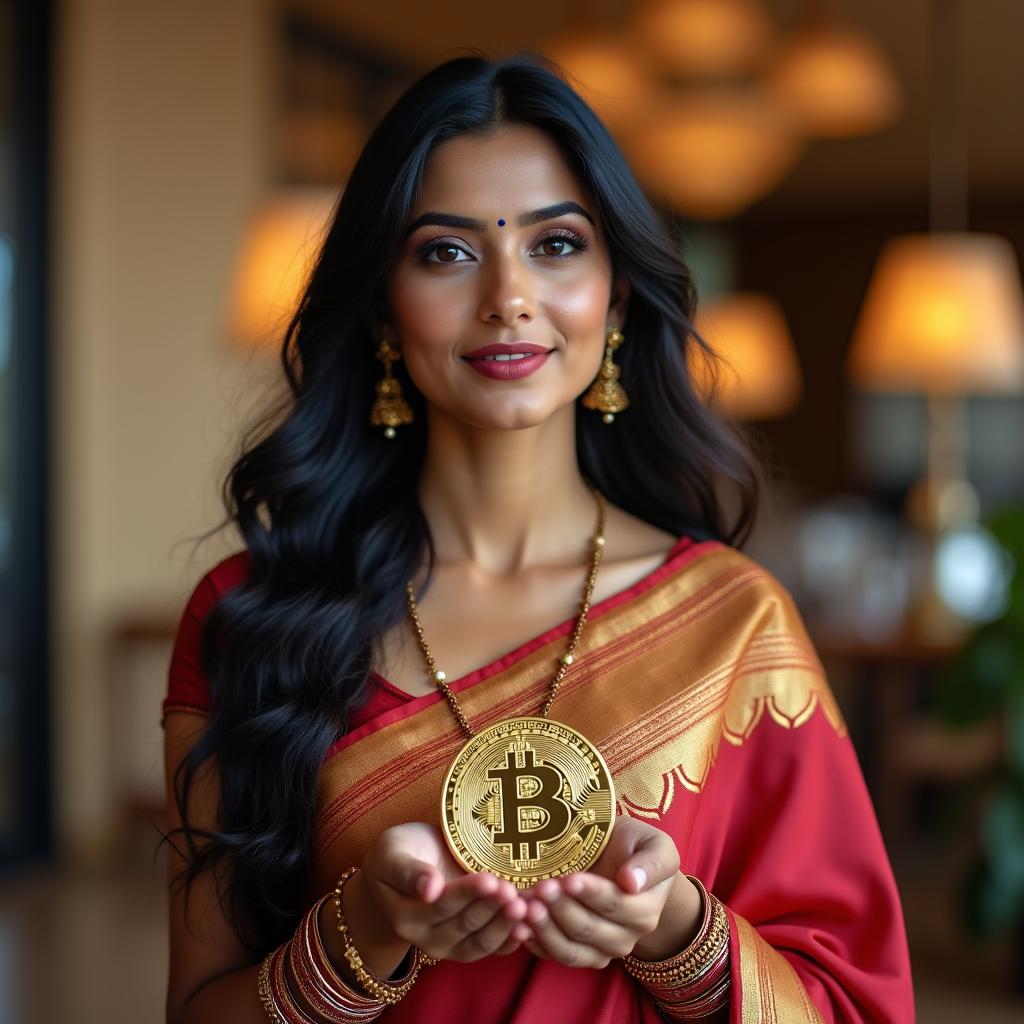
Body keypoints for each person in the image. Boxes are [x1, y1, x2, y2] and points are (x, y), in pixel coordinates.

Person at [160, 54, 914, 1024]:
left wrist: (674, 928)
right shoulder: (248, 614)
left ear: (618, 296)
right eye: (446, 251)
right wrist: (361, 933)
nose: (508, 296)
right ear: (385, 306)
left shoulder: (732, 622)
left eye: (557, 245)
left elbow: (855, 1007)